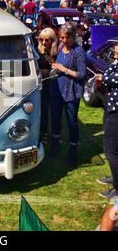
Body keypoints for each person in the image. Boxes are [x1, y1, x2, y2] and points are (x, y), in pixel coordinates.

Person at [50, 23, 86, 166]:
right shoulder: (60, 48)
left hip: (71, 93)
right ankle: (55, 146)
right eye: (61, 37)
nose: (64, 40)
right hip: (57, 90)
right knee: (56, 120)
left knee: (72, 123)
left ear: (73, 36)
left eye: (67, 37)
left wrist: (63, 69)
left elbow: (82, 74)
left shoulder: (78, 51)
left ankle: (73, 152)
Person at [96, 42, 118, 199]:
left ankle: (117, 188)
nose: (114, 57)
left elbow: (107, 79)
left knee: (111, 152)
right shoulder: (116, 66)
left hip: (117, 114)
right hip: (111, 109)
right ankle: (115, 177)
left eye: (117, 54)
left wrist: (103, 77)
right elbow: (107, 73)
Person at [37, 28, 58, 145]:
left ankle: (56, 134)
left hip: (56, 86)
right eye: (41, 39)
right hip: (43, 86)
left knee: (56, 111)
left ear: (52, 40)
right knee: (43, 111)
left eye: (47, 40)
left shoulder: (57, 53)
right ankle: (42, 133)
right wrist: (49, 72)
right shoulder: (37, 53)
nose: (43, 42)